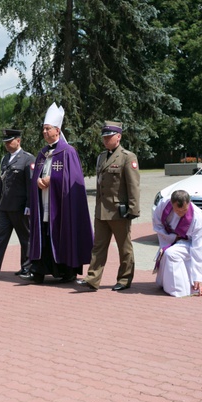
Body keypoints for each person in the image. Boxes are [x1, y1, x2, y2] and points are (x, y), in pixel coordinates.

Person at [21, 103, 93, 284]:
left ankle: (66, 270)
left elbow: (74, 179)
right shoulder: (42, 153)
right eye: (43, 129)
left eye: (47, 129)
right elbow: (37, 173)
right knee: (43, 234)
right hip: (43, 201)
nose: (44, 132)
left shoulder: (68, 152)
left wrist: (52, 181)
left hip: (61, 205)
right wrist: (37, 180)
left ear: (57, 130)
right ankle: (39, 270)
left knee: (61, 233)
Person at [76, 122, 140, 292]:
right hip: (102, 211)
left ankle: (125, 279)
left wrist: (133, 209)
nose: (105, 140)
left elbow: (133, 185)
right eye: (104, 137)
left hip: (120, 211)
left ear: (118, 137)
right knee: (98, 246)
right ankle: (92, 278)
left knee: (124, 247)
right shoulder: (101, 157)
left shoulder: (128, 157)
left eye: (109, 136)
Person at [0, 129, 35, 276]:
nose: (6, 144)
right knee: (1, 237)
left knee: (25, 238)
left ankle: (27, 267)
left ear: (18, 140)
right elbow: (2, 183)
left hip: (20, 207)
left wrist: (29, 206)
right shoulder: (5, 159)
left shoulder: (27, 159)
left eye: (9, 141)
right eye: (5, 142)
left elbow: (30, 185)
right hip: (5, 206)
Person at [152, 189, 202, 297]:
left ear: (189, 203)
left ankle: (178, 290)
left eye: (184, 210)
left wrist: (198, 276)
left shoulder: (197, 217)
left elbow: (199, 247)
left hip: (189, 242)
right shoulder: (164, 204)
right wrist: (172, 238)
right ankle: (164, 283)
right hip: (170, 238)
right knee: (166, 252)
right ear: (171, 203)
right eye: (177, 211)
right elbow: (157, 224)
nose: (181, 213)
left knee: (171, 254)